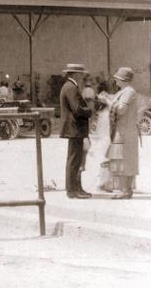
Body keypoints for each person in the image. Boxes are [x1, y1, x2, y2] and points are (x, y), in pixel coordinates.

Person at [59, 63, 93, 199]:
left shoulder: (70, 86)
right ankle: (72, 190)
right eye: (81, 75)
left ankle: (76, 188)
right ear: (75, 74)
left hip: (74, 128)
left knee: (76, 159)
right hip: (74, 128)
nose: (82, 77)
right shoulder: (71, 87)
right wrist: (91, 109)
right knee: (74, 160)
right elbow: (77, 109)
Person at [107, 67, 142, 200]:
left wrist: (108, 102)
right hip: (124, 131)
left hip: (125, 132)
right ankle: (126, 190)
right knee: (124, 160)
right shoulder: (125, 91)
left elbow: (121, 109)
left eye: (117, 78)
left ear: (122, 80)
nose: (115, 80)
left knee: (124, 160)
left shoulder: (128, 92)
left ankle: (125, 190)